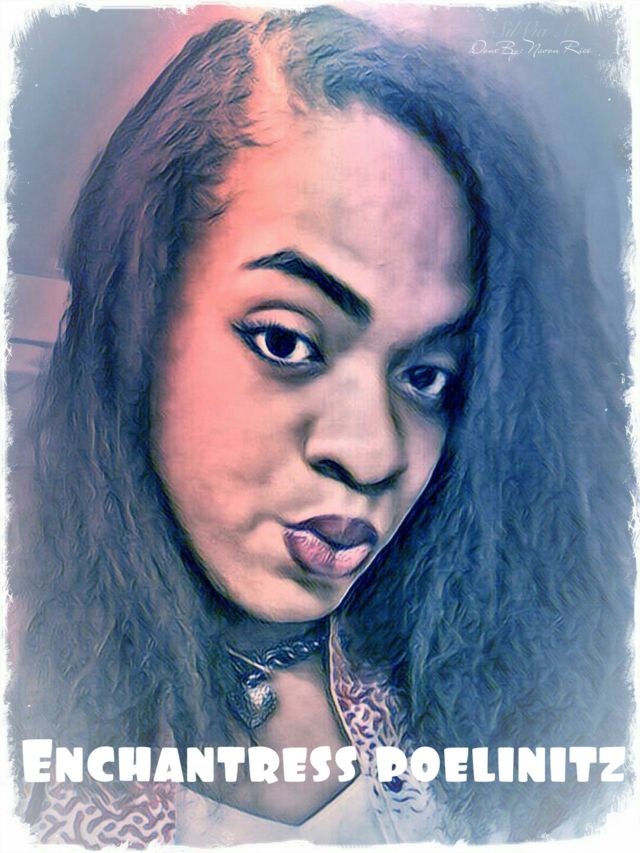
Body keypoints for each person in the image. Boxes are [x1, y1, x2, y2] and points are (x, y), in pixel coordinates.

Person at [8, 4, 633, 847]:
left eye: (426, 377)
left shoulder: (483, 689)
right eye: (286, 340)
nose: (371, 453)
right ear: (139, 316)